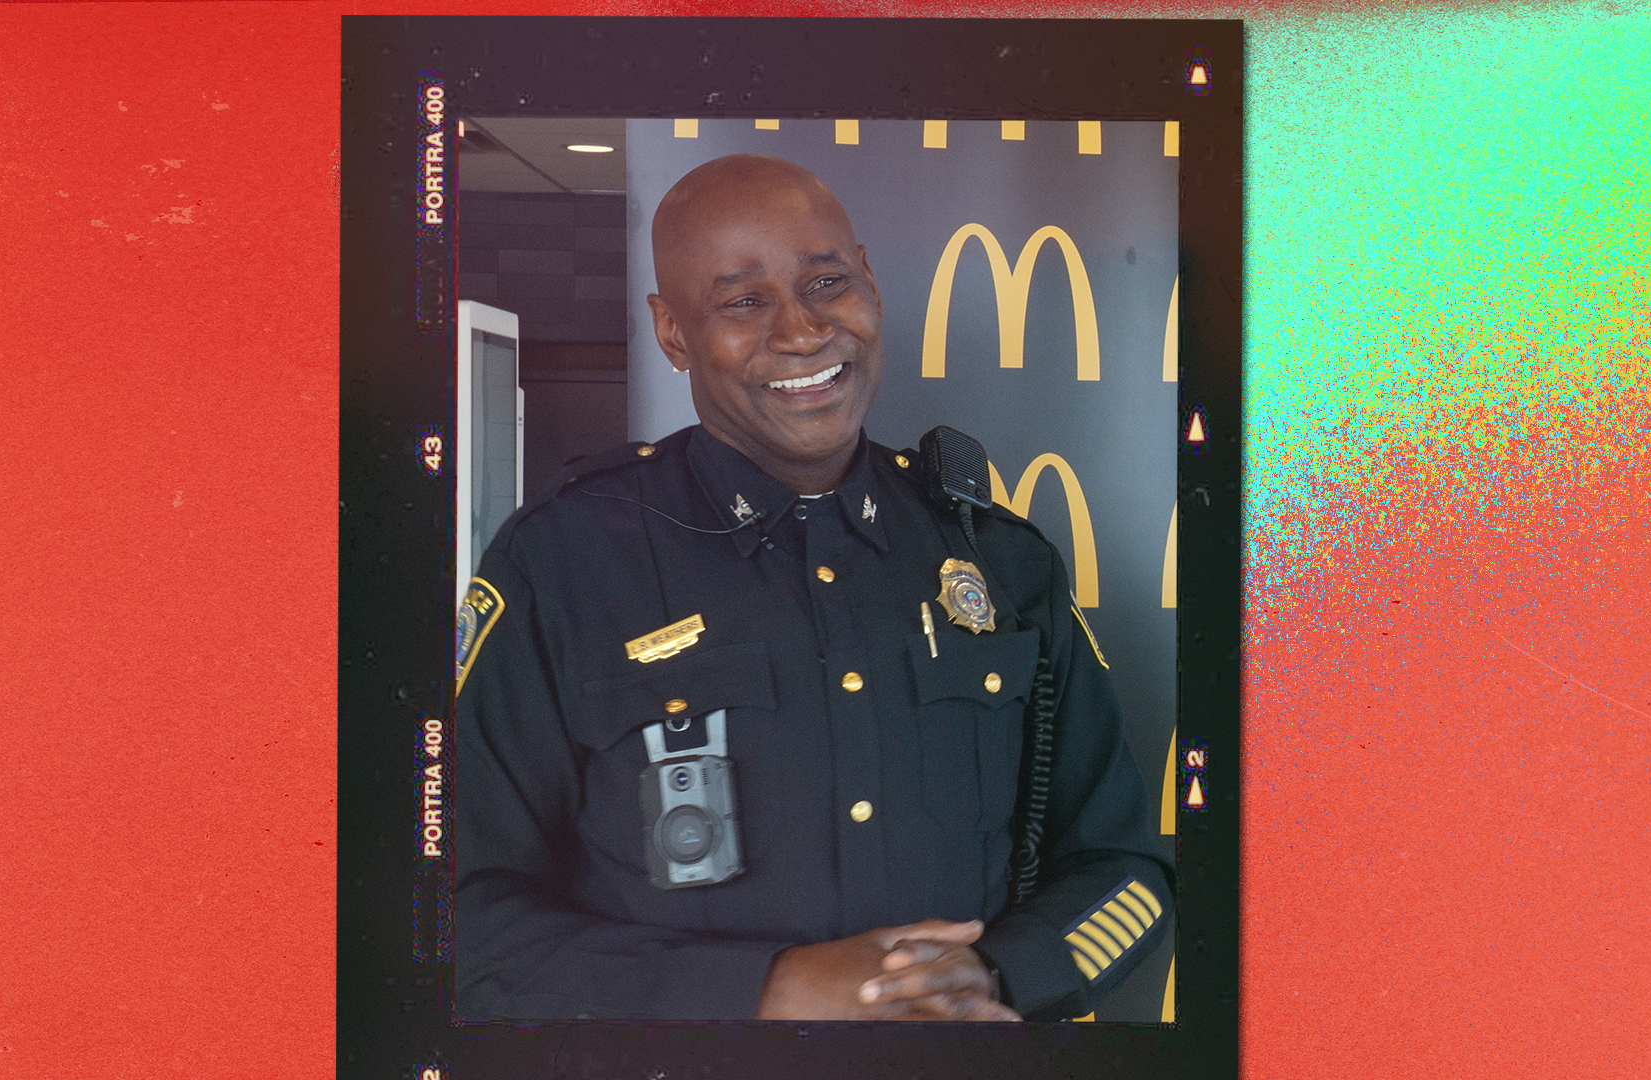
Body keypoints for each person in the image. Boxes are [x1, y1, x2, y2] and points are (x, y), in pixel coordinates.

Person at [452, 154, 1172, 1021]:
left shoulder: (999, 561)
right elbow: (459, 920)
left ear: (868, 281)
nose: (802, 331)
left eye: (826, 282)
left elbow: (1125, 872)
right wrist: (767, 991)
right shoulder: (559, 566)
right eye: (742, 301)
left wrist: (995, 976)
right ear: (672, 332)